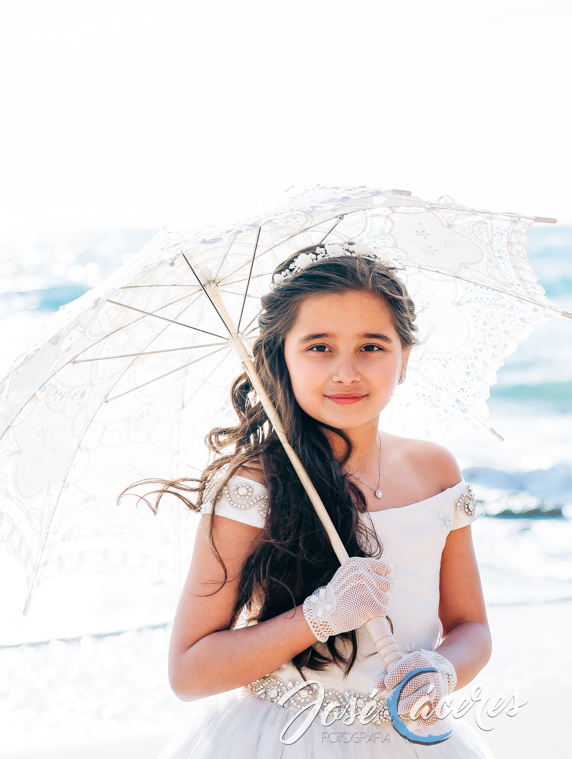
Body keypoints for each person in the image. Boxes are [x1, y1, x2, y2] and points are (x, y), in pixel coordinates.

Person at [139, 244, 497, 757]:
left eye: (372, 346)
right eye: (319, 347)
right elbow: (189, 672)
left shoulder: (434, 470)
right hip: (285, 736)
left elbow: (471, 627)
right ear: (282, 357)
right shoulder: (254, 486)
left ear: (405, 358)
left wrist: (442, 670)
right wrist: (319, 616)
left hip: (409, 739)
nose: (346, 371)